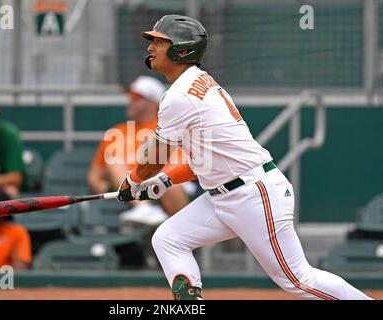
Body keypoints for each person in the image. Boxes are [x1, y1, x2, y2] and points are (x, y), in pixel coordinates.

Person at [116, 15, 372, 300]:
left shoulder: (180, 95)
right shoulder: (196, 83)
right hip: (225, 195)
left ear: (182, 50)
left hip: (253, 193)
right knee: (169, 238)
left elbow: (154, 157)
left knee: (297, 279)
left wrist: (134, 179)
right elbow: (208, 161)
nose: (151, 46)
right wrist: (164, 180)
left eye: (160, 41)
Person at [88, 75, 190, 226]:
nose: (130, 100)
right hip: (128, 195)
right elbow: (94, 178)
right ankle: (143, 209)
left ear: (153, 102)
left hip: (165, 189)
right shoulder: (116, 131)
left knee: (169, 181)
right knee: (114, 160)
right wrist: (113, 189)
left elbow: (177, 166)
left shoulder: (168, 128)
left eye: (136, 96)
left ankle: (183, 235)